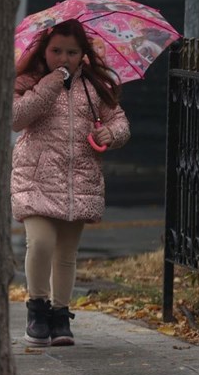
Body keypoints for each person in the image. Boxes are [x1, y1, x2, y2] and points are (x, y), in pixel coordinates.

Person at [12, 19, 130, 347]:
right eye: (56, 51)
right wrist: (50, 83)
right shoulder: (28, 80)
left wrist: (112, 134)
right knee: (40, 243)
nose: (63, 58)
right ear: (43, 51)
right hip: (35, 178)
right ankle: (37, 309)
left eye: (72, 52)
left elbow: (118, 120)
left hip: (79, 181)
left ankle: (60, 314)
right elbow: (16, 117)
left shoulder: (94, 87)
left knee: (66, 252)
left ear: (82, 55)